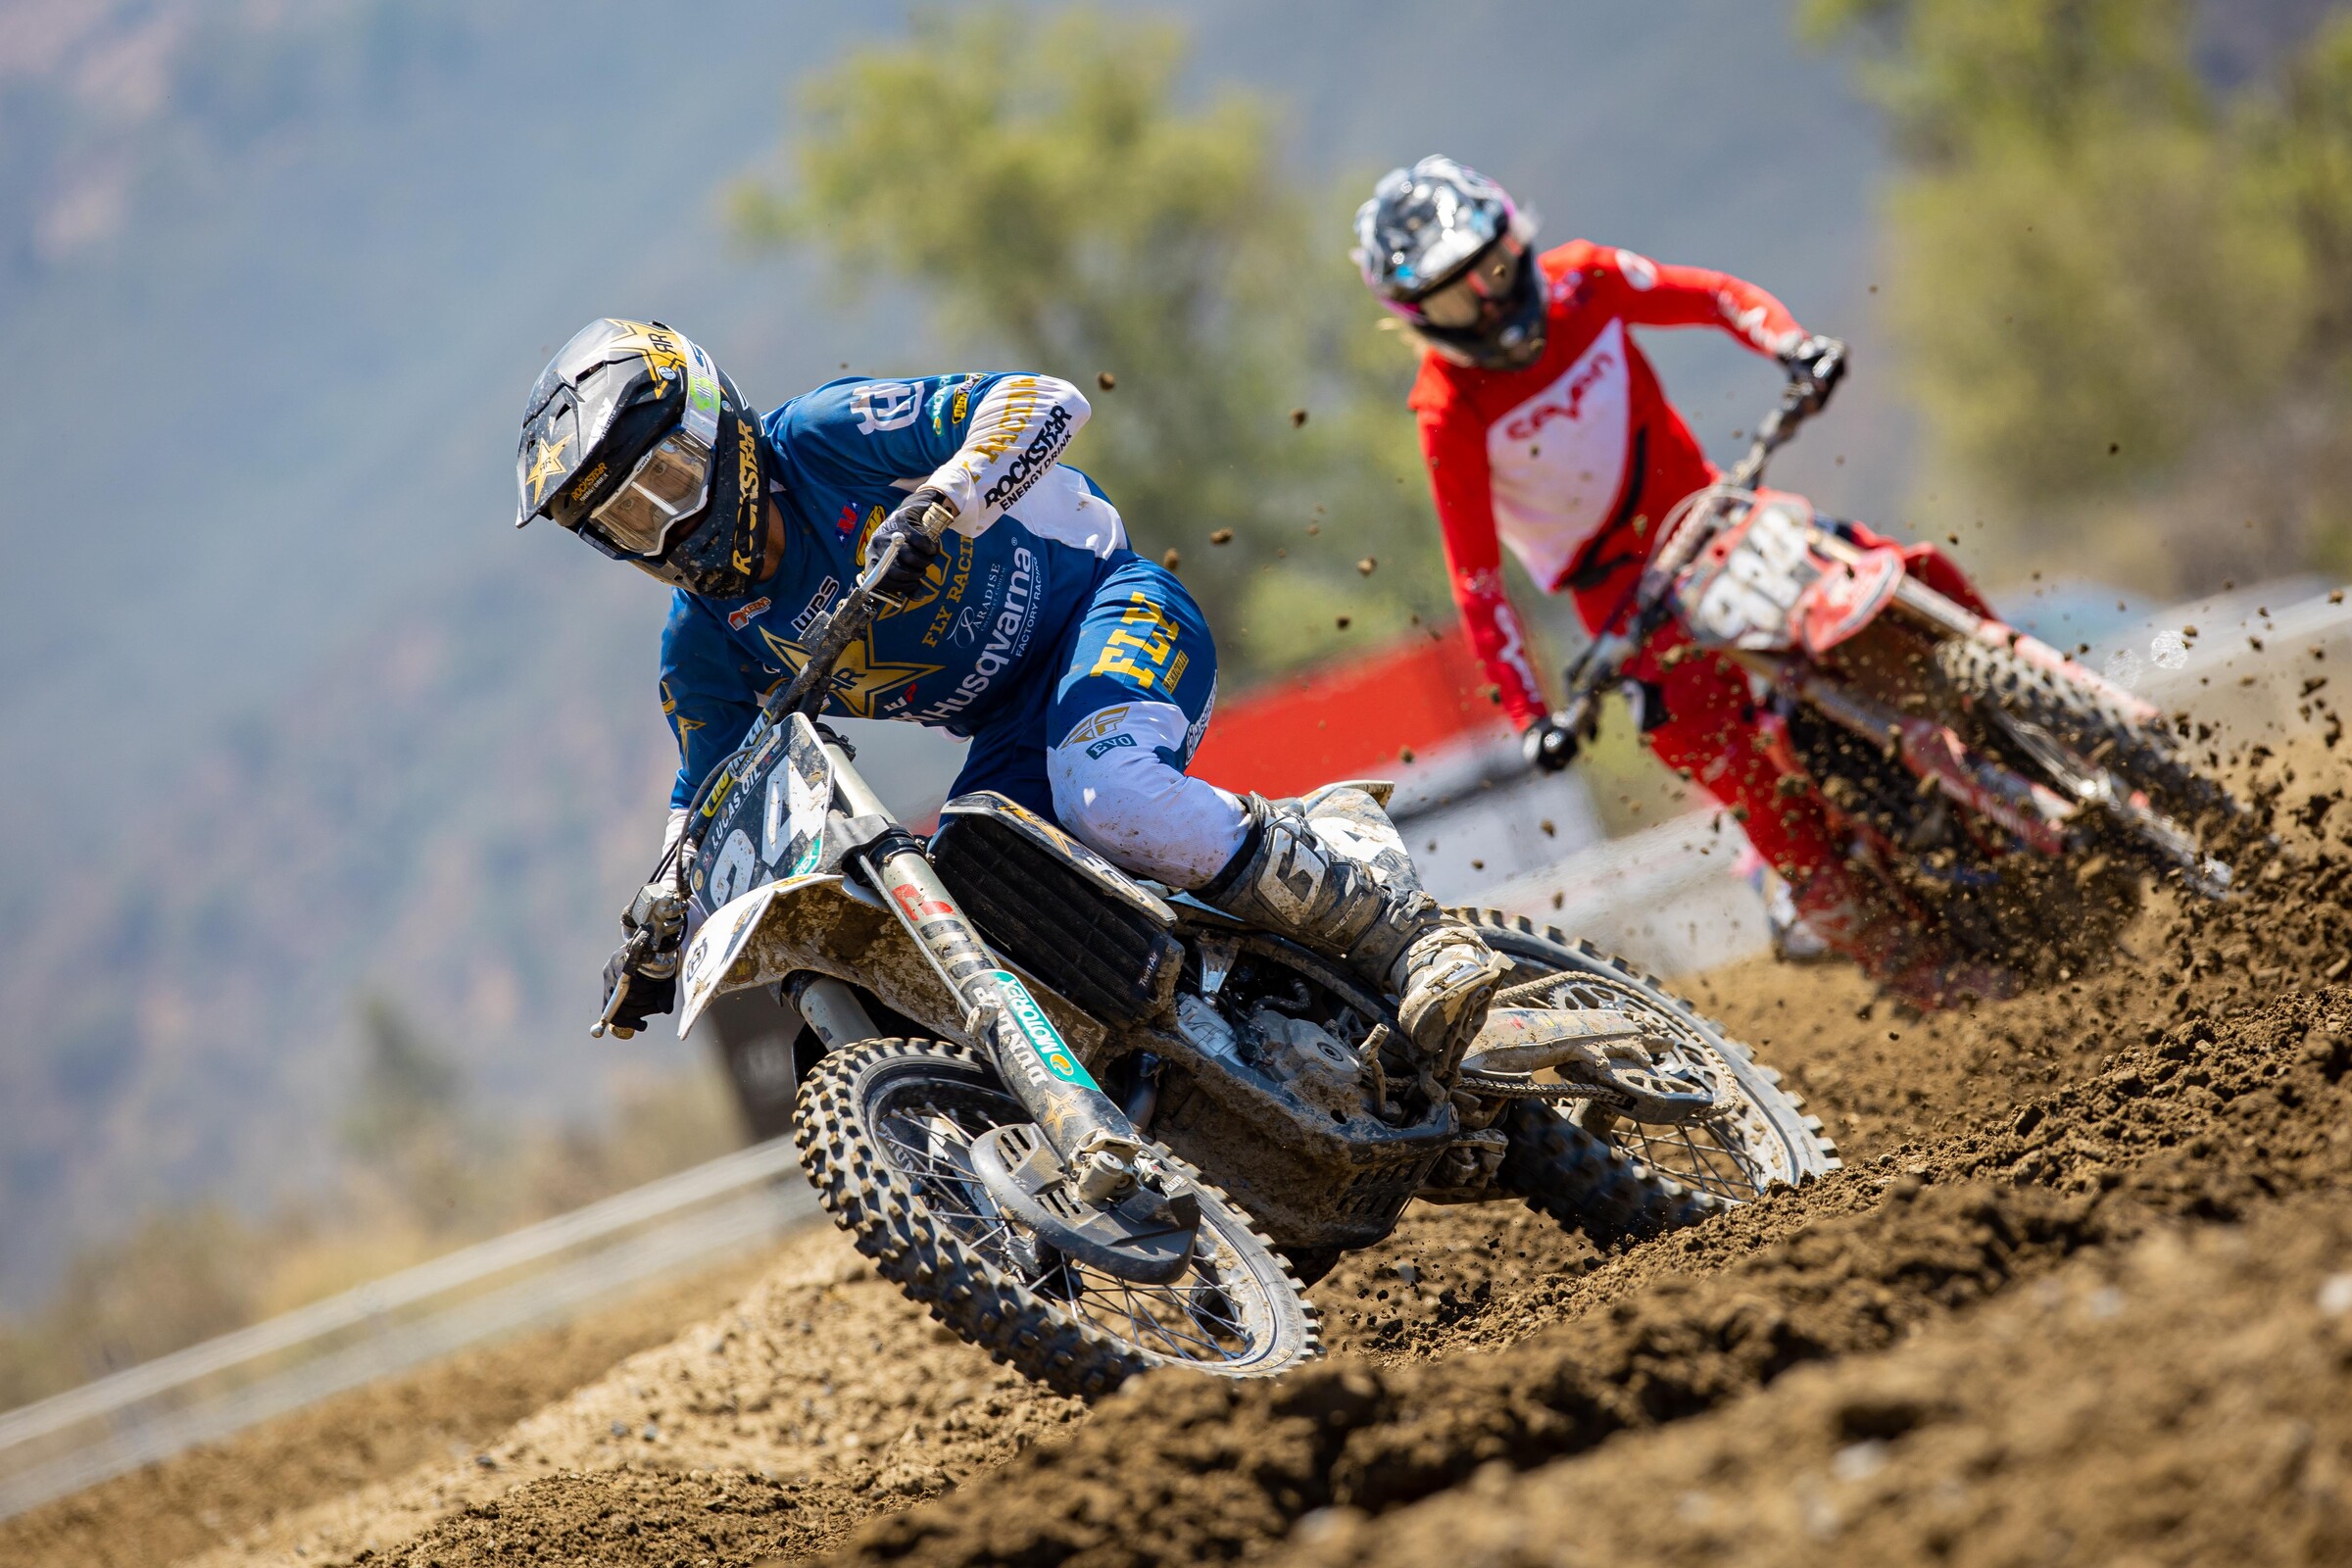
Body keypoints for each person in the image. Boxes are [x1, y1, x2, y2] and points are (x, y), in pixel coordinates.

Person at [513, 318, 1504, 1052]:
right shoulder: (703, 649)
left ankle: (1400, 927)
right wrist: (660, 921)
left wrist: (941, 504)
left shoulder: (821, 439)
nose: (668, 526)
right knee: (969, 925)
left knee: (1111, 790)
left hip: (1110, 612)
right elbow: (708, 802)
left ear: (715, 422)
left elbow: (1045, 400)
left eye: (671, 480)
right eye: (629, 523)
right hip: (1009, 736)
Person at [1353, 157, 2013, 1007]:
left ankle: (2020, 689)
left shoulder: (1586, 279)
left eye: (1488, 269)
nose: (1485, 303)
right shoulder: (1448, 409)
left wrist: (1792, 345)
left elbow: (1711, 295)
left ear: (1514, 241)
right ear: (1418, 319)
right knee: (1728, 761)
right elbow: (1477, 581)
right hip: (1621, 600)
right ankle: (1916, 966)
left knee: (1875, 568)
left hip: (1716, 511)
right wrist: (1531, 718)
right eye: (1451, 298)